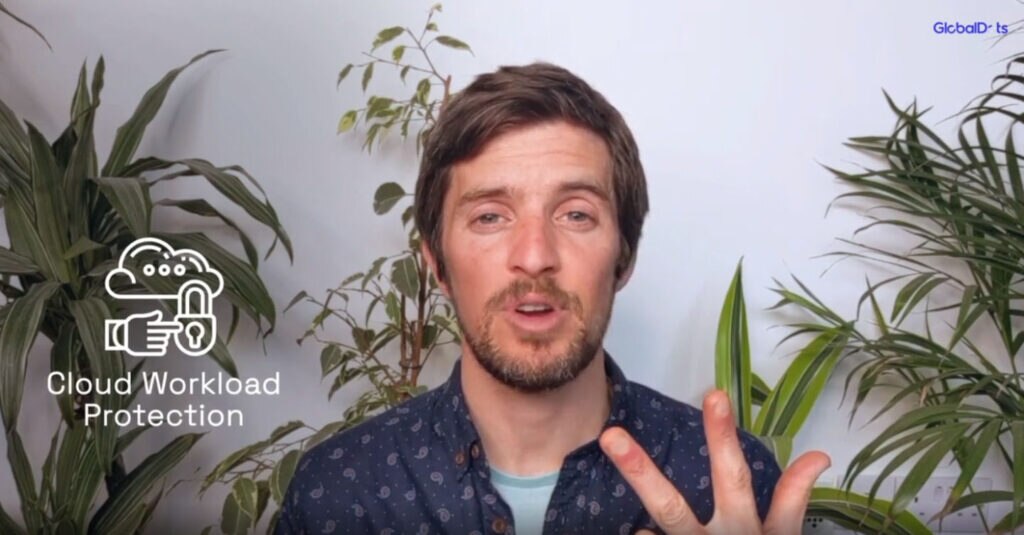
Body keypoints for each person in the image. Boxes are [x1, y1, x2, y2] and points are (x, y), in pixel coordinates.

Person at [277, 62, 830, 535]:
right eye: (490, 216)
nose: (536, 254)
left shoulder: (730, 485)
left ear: (624, 258)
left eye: (575, 214)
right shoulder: (335, 493)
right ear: (438, 266)